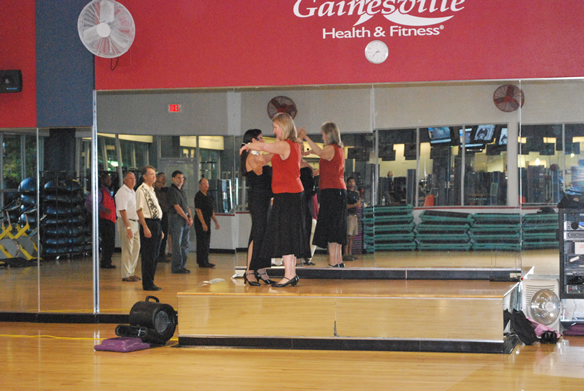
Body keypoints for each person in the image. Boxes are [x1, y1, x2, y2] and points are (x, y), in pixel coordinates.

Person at [241, 112, 310, 287]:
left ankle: (288, 274)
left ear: (283, 127)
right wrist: (255, 152)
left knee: (287, 234)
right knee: (289, 234)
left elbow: (265, 149)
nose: (273, 130)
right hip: (287, 194)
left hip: (289, 194)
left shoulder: (286, 145)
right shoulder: (284, 146)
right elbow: (263, 159)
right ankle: (291, 273)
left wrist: (250, 145)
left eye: (275, 127)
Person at [299, 122, 347, 268]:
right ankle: (338, 260)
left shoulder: (331, 148)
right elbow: (323, 166)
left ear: (328, 134)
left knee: (332, 225)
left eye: (323, 134)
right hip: (336, 191)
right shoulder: (337, 149)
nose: (322, 137)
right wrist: (308, 155)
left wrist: (305, 137)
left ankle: (333, 261)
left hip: (332, 191)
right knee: (336, 226)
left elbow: (320, 152)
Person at [240, 129, 274, 285]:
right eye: (260, 138)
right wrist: (260, 154)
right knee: (257, 233)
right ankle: (249, 270)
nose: (263, 141)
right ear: (253, 140)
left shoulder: (257, 155)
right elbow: (259, 171)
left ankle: (261, 268)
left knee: (265, 233)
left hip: (266, 199)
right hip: (257, 199)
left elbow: (273, 154)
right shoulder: (250, 157)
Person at [136, 165, 164, 291]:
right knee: (148, 255)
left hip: (156, 223)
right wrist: (145, 227)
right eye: (151, 174)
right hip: (148, 223)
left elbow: (155, 210)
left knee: (155, 255)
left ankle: (151, 281)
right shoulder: (141, 190)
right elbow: (139, 210)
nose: (154, 176)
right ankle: (147, 283)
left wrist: (160, 229)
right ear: (144, 176)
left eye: (154, 174)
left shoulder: (151, 190)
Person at [115, 172, 141, 281]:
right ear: (125, 180)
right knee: (127, 248)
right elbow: (122, 210)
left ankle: (131, 271)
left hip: (135, 222)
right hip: (126, 222)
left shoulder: (133, 191)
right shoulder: (122, 192)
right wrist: (128, 227)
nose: (133, 180)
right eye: (130, 178)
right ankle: (126, 274)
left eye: (134, 178)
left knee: (136, 247)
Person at [167, 170, 193, 274]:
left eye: (182, 178)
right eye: (178, 178)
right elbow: (177, 207)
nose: (181, 180)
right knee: (177, 244)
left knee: (185, 244)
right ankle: (176, 267)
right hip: (177, 219)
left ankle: (182, 266)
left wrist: (190, 217)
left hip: (185, 219)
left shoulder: (181, 191)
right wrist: (186, 218)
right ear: (173, 179)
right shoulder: (172, 191)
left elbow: (186, 206)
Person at [194, 178, 220, 268]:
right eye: (204, 184)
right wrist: (203, 223)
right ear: (200, 185)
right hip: (200, 221)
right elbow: (198, 210)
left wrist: (216, 221)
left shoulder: (208, 195)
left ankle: (206, 260)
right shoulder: (198, 196)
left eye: (207, 184)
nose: (206, 186)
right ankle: (201, 262)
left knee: (206, 241)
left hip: (207, 220)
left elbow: (211, 210)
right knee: (201, 241)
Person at [299, 158, 316, 266]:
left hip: (308, 200)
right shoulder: (292, 163)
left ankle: (306, 256)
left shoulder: (306, 164)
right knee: (299, 228)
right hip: (299, 198)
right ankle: (298, 257)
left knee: (308, 228)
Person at [98, 173, 116, 269]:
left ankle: (107, 261)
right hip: (104, 220)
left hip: (111, 220)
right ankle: (105, 261)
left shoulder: (109, 191)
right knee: (107, 242)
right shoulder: (100, 191)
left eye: (110, 179)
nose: (109, 181)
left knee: (110, 242)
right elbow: (96, 203)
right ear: (102, 180)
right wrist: (104, 209)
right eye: (107, 179)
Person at [154, 172, 171, 263]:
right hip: (157, 216)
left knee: (164, 235)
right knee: (157, 236)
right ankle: (157, 254)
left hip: (165, 214)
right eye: (158, 182)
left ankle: (162, 254)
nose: (160, 184)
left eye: (161, 182)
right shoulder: (153, 192)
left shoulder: (165, 191)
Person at [344, 176, 361, 262]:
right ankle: (345, 253)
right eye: (350, 182)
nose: (351, 183)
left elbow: (358, 203)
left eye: (353, 182)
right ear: (347, 183)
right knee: (348, 235)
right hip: (349, 215)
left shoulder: (356, 193)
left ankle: (350, 253)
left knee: (353, 236)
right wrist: (354, 205)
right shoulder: (346, 193)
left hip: (355, 215)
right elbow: (345, 206)